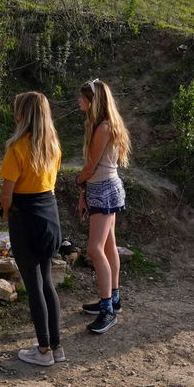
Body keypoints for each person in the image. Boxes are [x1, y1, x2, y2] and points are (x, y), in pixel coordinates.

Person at [0, 91, 65, 366]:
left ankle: (42, 350)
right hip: (50, 216)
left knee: (34, 285)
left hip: (24, 218)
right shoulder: (53, 147)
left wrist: (5, 212)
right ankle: (56, 347)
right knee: (47, 283)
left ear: (22, 114)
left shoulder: (17, 148)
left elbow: (7, 193)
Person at [75, 78, 132, 335]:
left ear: (92, 101)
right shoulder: (104, 125)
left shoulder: (103, 128)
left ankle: (107, 309)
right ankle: (113, 299)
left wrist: (79, 181)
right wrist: (85, 189)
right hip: (106, 187)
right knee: (108, 246)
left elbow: (91, 166)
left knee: (94, 249)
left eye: (82, 98)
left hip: (104, 190)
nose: (79, 102)